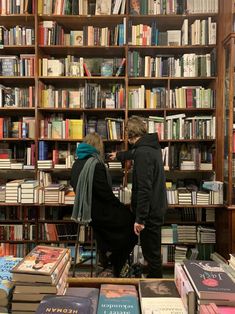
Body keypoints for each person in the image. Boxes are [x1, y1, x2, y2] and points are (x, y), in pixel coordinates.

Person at [70, 132, 137, 277]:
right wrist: (121, 205)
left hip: (87, 212)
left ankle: (105, 254)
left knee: (118, 223)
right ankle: (116, 262)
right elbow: (106, 195)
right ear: (97, 147)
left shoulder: (76, 164)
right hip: (99, 214)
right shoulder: (96, 165)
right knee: (133, 224)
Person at [109, 116, 167, 278]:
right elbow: (134, 153)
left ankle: (156, 290)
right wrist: (120, 155)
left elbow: (144, 189)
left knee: (152, 254)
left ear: (130, 134)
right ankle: (153, 283)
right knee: (152, 252)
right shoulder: (151, 147)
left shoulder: (143, 153)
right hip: (156, 207)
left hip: (149, 212)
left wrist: (140, 219)